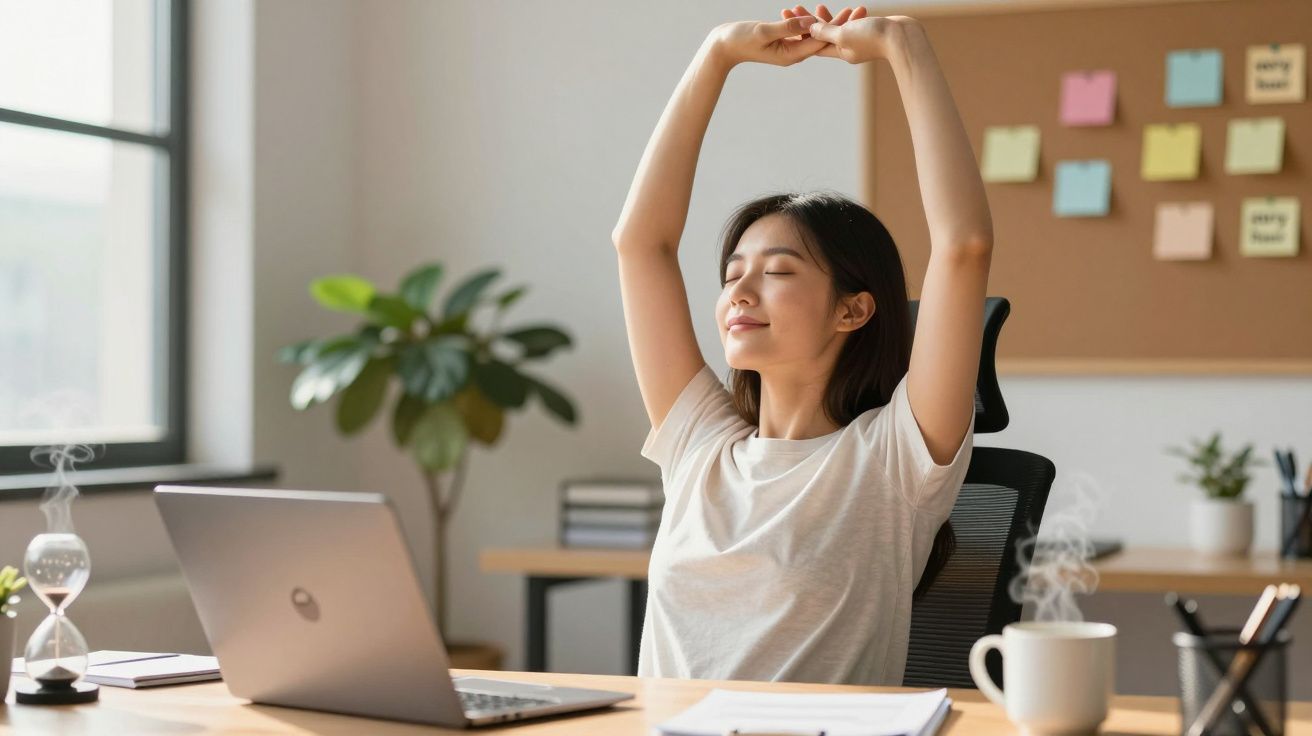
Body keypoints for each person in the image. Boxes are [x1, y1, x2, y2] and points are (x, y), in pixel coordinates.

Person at [611, 4, 992, 685]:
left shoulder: (891, 461)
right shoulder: (701, 447)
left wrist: (905, 49)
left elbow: (963, 247)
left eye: (779, 271)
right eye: (732, 276)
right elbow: (640, 245)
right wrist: (716, 55)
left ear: (853, 310)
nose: (741, 293)